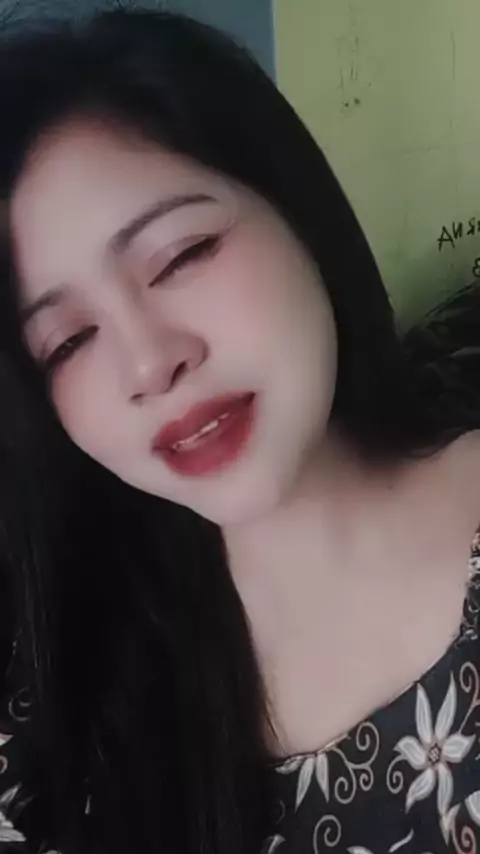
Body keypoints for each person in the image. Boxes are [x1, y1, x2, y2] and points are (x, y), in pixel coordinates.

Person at [0, 8, 479, 854]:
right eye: (68, 342)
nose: (150, 364)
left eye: (180, 255)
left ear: (297, 211)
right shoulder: (62, 733)